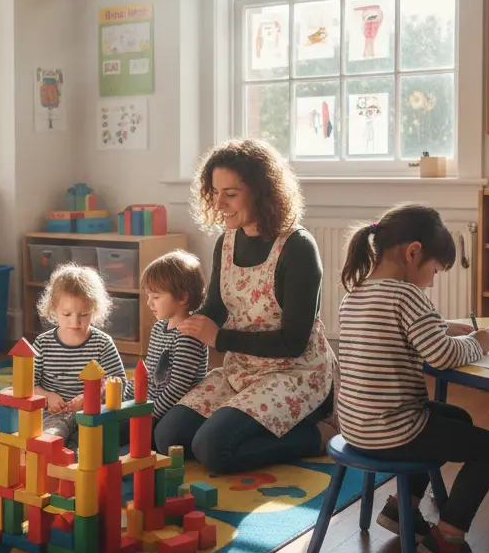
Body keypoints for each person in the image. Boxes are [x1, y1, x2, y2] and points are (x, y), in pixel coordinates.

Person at [337, 203, 489, 553]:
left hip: (357, 427)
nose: (430, 282)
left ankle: (402, 508)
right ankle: (448, 541)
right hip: (395, 431)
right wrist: (479, 342)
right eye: (433, 272)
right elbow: (442, 354)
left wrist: (441, 326)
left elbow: (394, 330)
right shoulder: (408, 296)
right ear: (413, 253)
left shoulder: (356, 293)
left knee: (457, 420)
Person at [154, 139, 335, 473]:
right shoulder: (227, 241)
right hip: (242, 371)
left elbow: (293, 343)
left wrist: (220, 339)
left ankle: (318, 436)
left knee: (212, 449)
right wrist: (180, 317)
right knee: (167, 437)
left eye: (231, 194)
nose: (219, 204)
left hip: (294, 373)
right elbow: (216, 307)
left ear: (262, 192)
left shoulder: (298, 248)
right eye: (214, 192)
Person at [33, 264, 127, 443]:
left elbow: (119, 383)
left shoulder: (102, 343)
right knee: (53, 434)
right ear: (53, 310)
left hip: (94, 413)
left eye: (83, 315)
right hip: (56, 415)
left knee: (101, 439)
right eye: (67, 314)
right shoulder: (43, 343)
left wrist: (88, 398)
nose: (75, 322)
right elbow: (29, 384)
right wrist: (48, 397)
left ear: (94, 310)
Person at [140, 250, 209, 431]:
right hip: (152, 406)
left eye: (156, 297)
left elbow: (178, 388)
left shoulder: (188, 336)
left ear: (183, 298)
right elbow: (146, 376)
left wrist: (149, 415)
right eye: (149, 296)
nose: (149, 303)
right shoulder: (158, 329)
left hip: (172, 413)